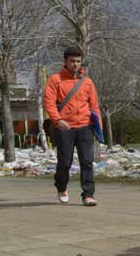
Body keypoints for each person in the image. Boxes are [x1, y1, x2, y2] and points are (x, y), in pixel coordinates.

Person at [44, 45, 102, 205]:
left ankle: (88, 195)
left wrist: (98, 129)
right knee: (65, 162)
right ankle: (61, 187)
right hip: (64, 127)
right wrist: (57, 120)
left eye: (78, 61)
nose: (75, 64)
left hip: (85, 126)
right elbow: (49, 103)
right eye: (72, 61)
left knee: (87, 161)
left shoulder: (88, 82)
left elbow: (94, 107)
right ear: (65, 61)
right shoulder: (55, 80)